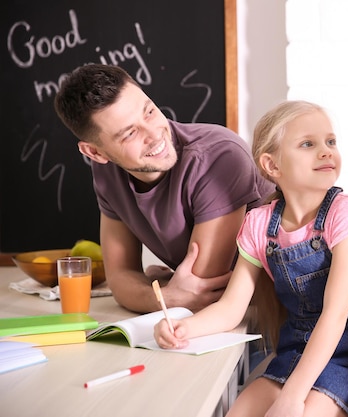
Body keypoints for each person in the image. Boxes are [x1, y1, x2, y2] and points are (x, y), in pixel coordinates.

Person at [154, 100, 348, 417]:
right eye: (308, 144)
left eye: (330, 142)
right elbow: (230, 308)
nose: (326, 151)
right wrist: (184, 328)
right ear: (272, 165)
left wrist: (293, 397)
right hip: (295, 352)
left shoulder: (346, 213)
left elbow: (335, 316)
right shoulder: (259, 225)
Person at [54, 64, 274, 313]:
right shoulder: (107, 172)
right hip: (222, 320)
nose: (154, 134)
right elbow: (120, 278)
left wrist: (156, 289)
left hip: (272, 318)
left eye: (149, 111)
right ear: (95, 152)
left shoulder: (218, 156)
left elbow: (201, 290)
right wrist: (163, 296)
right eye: (129, 134)